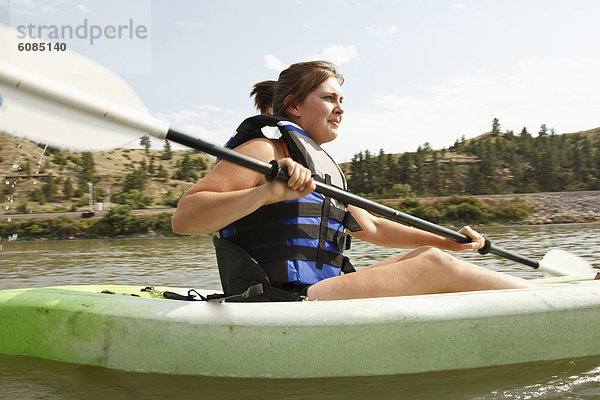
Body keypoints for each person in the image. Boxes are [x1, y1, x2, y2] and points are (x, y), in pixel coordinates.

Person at [171, 61, 538, 301]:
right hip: (277, 297)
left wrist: (449, 240)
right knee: (432, 267)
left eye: (342, 99)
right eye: (329, 98)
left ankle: (537, 297)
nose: (341, 108)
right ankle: (546, 302)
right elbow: (185, 218)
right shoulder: (263, 151)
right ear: (294, 107)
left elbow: (373, 227)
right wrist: (268, 192)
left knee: (428, 254)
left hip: (315, 291)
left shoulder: (321, 165)